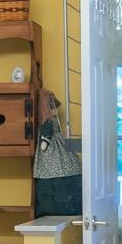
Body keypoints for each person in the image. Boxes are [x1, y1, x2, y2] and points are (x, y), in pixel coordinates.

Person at [32, 88, 81, 218]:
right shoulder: (48, 121)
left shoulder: (53, 120)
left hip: (56, 153)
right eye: (53, 106)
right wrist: (45, 141)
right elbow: (45, 138)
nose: (56, 109)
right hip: (52, 154)